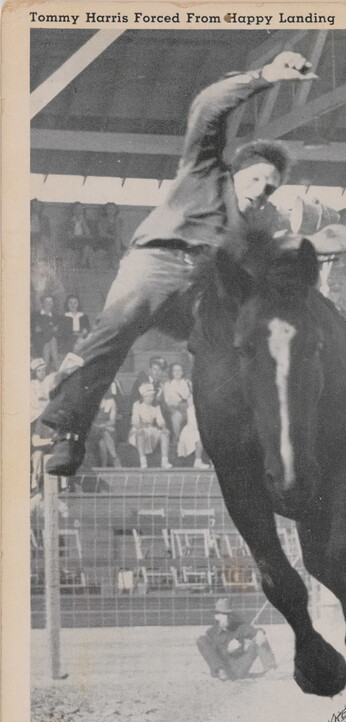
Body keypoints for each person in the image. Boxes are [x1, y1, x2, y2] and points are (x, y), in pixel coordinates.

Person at [42, 51, 316, 476]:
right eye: (257, 178)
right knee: (115, 330)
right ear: (236, 170)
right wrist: (263, 76)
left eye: (271, 187)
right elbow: (208, 107)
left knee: (240, 345)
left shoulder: (255, 226)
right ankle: (69, 430)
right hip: (156, 264)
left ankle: (244, 435)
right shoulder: (205, 170)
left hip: (202, 292)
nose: (262, 190)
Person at [197, 598, 277, 681]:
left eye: (228, 614)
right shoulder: (211, 633)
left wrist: (260, 632)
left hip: (241, 666)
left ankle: (271, 669)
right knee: (201, 640)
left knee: (259, 637)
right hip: (224, 669)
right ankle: (221, 672)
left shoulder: (239, 627)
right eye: (223, 614)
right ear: (216, 616)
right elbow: (214, 656)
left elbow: (255, 631)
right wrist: (228, 650)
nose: (226, 618)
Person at [128, 383, 171, 469]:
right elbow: (135, 419)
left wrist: (163, 428)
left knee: (165, 434)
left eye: (152, 396)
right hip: (139, 428)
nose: (150, 398)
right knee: (140, 434)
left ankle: (164, 461)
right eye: (148, 396)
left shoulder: (156, 406)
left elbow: (160, 419)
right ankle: (143, 461)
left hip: (151, 429)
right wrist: (139, 428)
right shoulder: (137, 405)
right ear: (143, 397)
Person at [86, 383, 122, 468]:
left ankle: (104, 467)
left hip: (107, 429)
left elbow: (112, 421)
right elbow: (89, 421)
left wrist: (104, 425)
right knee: (103, 434)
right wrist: (100, 427)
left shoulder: (111, 401)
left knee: (102, 444)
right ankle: (114, 457)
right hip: (94, 430)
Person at [163, 362, 192, 443]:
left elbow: (190, 397)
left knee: (192, 415)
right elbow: (167, 401)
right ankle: (178, 438)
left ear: (182, 372)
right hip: (174, 408)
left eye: (179, 370)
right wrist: (177, 405)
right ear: (172, 373)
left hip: (187, 408)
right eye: (175, 370)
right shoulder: (168, 384)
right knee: (177, 416)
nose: (177, 372)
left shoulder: (187, 383)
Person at [31, 295, 61, 370]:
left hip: (51, 341)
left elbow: (58, 331)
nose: (49, 303)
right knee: (50, 341)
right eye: (46, 301)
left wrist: (45, 329)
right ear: (43, 303)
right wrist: (51, 329)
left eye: (51, 301)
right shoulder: (36, 315)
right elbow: (36, 331)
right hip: (39, 341)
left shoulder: (56, 316)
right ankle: (57, 367)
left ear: (53, 303)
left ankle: (45, 368)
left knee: (51, 342)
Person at [177, 400, 209, 469]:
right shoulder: (191, 410)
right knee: (200, 437)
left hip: (198, 430)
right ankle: (198, 461)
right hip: (190, 432)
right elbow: (194, 425)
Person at [64, 202, 93, 268]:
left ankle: (83, 263)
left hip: (84, 241)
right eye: (76, 209)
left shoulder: (87, 221)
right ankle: (83, 263)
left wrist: (83, 222)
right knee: (86, 242)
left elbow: (89, 234)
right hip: (72, 241)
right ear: (73, 211)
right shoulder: (69, 221)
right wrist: (83, 236)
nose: (79, 211)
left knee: (87, 243)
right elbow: (70, 236)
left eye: (80, 209)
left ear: (83, 211)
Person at [30, 358, 56, 424]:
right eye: (39, 371)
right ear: (35, 373)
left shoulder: (47, 382)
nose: (42, 373)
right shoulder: (32, 384)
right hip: (35, 411)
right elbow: (34, 400)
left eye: (43, 371)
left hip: (46, 410)